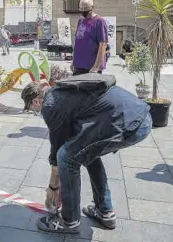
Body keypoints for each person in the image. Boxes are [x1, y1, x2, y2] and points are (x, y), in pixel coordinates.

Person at [21, 73, 152, 234]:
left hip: (129, 124)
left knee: (65, 158)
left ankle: (69, 221)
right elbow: (69, 137)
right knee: (87, 153)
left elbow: (56, 152)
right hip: (140, 115)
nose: (35, 111)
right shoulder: (60, 92)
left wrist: (53, 187)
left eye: (32, 109)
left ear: (35, 101)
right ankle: (105, 212)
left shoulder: (49, 105)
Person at [71, 0, 108, 75]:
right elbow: (78, 42)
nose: (84, 11)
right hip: (78, 66)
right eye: (81, 9)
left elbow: (103, 45)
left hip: (91, 68)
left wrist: (96, 67)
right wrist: (73, 62)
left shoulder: (99, 21)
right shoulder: (80, 21)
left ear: (92, 7)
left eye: (86, 9)